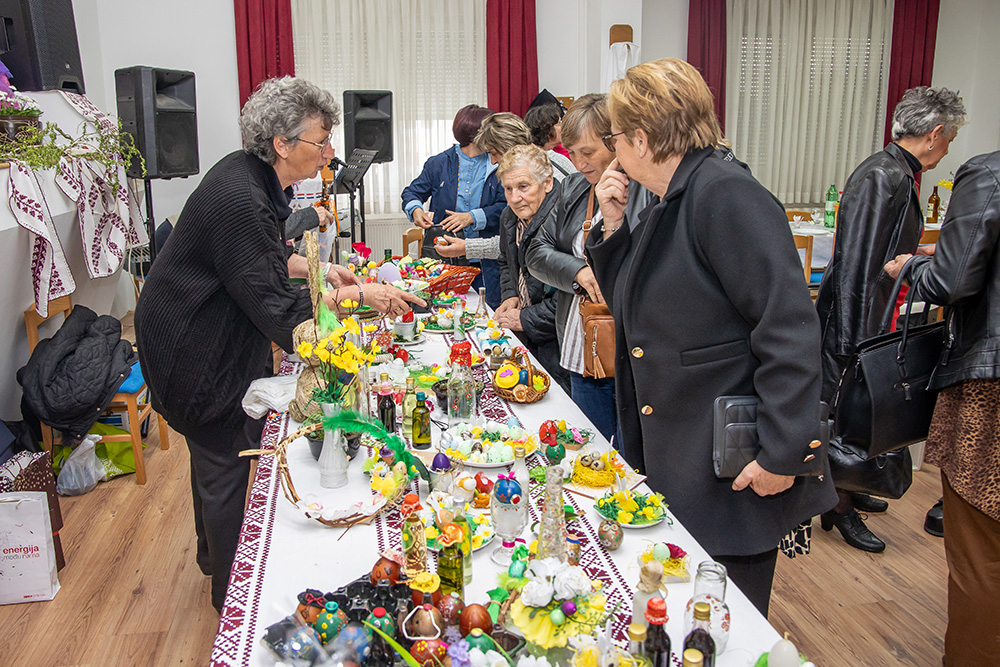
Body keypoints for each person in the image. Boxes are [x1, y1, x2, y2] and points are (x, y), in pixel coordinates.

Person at [134, 77, 423, 612]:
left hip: (188, 331)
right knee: (223, 454)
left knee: (210, 456)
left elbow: (257, 258)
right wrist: (360, 295)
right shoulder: (242, 196)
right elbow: (277, 310)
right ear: (282, 144)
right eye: (322, 141)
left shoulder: (247, 178)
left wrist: (321, 269)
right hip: (191, 352)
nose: (330, 153)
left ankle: (207, 556)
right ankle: (230, 598)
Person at [586, 58, 836, 616]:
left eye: (616, 137)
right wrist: (611, 225)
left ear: (643, 140)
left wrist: (782, 452)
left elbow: (790, 332)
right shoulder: (672, 196)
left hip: (733, 468)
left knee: (724, 627)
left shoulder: (724, 194)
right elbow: (634, 304)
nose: (612, 150)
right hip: (686, 451)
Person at [814, 86, 966, 553]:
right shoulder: (886, 176)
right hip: (856, 317)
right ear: (935, 133)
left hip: (865, 311)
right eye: (951, 138)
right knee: (847, 416)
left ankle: (849, 491)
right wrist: (856, 339)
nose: (949, 148)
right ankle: (837, 507)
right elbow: (859, 263)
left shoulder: (894, 171)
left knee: (857, 415)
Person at [884, 150, 1000, 666]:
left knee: (982, 560)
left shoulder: (990, 173)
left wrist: (913, 266)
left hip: (990, 389)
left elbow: (951, 281)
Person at [524, 93, 651, 441]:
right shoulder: (574, 188)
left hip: (631, 352)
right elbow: (535, 251)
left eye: (588, 152)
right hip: (581, 349)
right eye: (572, 152)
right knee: (588, 452)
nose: (578, 162)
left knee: (629, 461)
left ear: (615, 142)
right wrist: (577, 272)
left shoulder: (647, 188)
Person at [400, 104, 505, 307]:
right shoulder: (438, 163)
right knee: (443, 312)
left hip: (486, 261)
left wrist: (472, 217)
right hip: (444, 261)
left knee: (486, 314)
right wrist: (416, 210)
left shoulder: (498, 162)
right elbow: (411, 192)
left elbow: (506, 208)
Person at [494, 144, 571, 394]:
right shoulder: (509, 215)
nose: (515, 197)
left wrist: (525, 318)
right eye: (508, 188)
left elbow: (570, 295)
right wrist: (510, 294)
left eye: (523, 187)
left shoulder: (564, 220)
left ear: (547, 183)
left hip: (560, 345)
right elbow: (506, 260)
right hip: (528, 338)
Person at [435, 113, 534, 281]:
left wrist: (467, 246)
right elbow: (511, 245)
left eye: (494, 154)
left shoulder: (546, 174)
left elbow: (522, 246)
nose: (494, 161)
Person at [524, 103, 576, 181]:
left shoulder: (557, 156)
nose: (563, 127)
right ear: (547, 129)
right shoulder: (531, 161)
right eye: (559, 123)